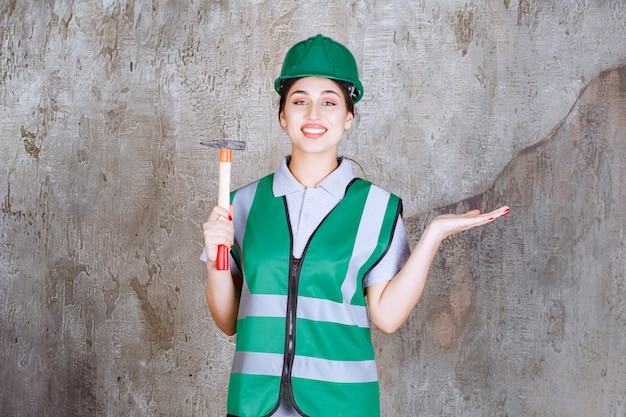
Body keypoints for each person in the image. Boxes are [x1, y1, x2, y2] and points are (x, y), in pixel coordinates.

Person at [202, 34, 509, 417]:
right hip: (252, 403)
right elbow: (228, 320)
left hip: (342, 406)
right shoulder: (242, 203)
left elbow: (388, 316)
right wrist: (217, 256)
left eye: (329, 103)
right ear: (283, 116)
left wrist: (434, 235)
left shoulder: (377, 208)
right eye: (300, 102)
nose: (313, 114)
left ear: (348, 116)